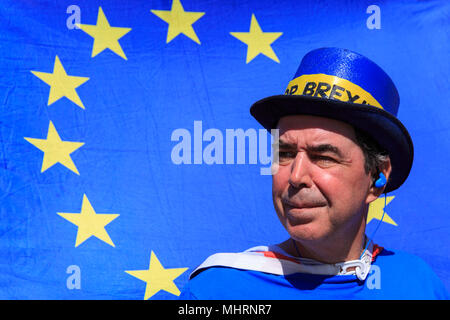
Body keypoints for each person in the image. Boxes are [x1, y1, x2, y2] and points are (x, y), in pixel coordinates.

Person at [179, 47, 449, 299]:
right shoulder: (216, 290)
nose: (295, 177)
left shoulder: (417, 283)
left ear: (377, 178)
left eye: (323, 157)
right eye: (284, 154)